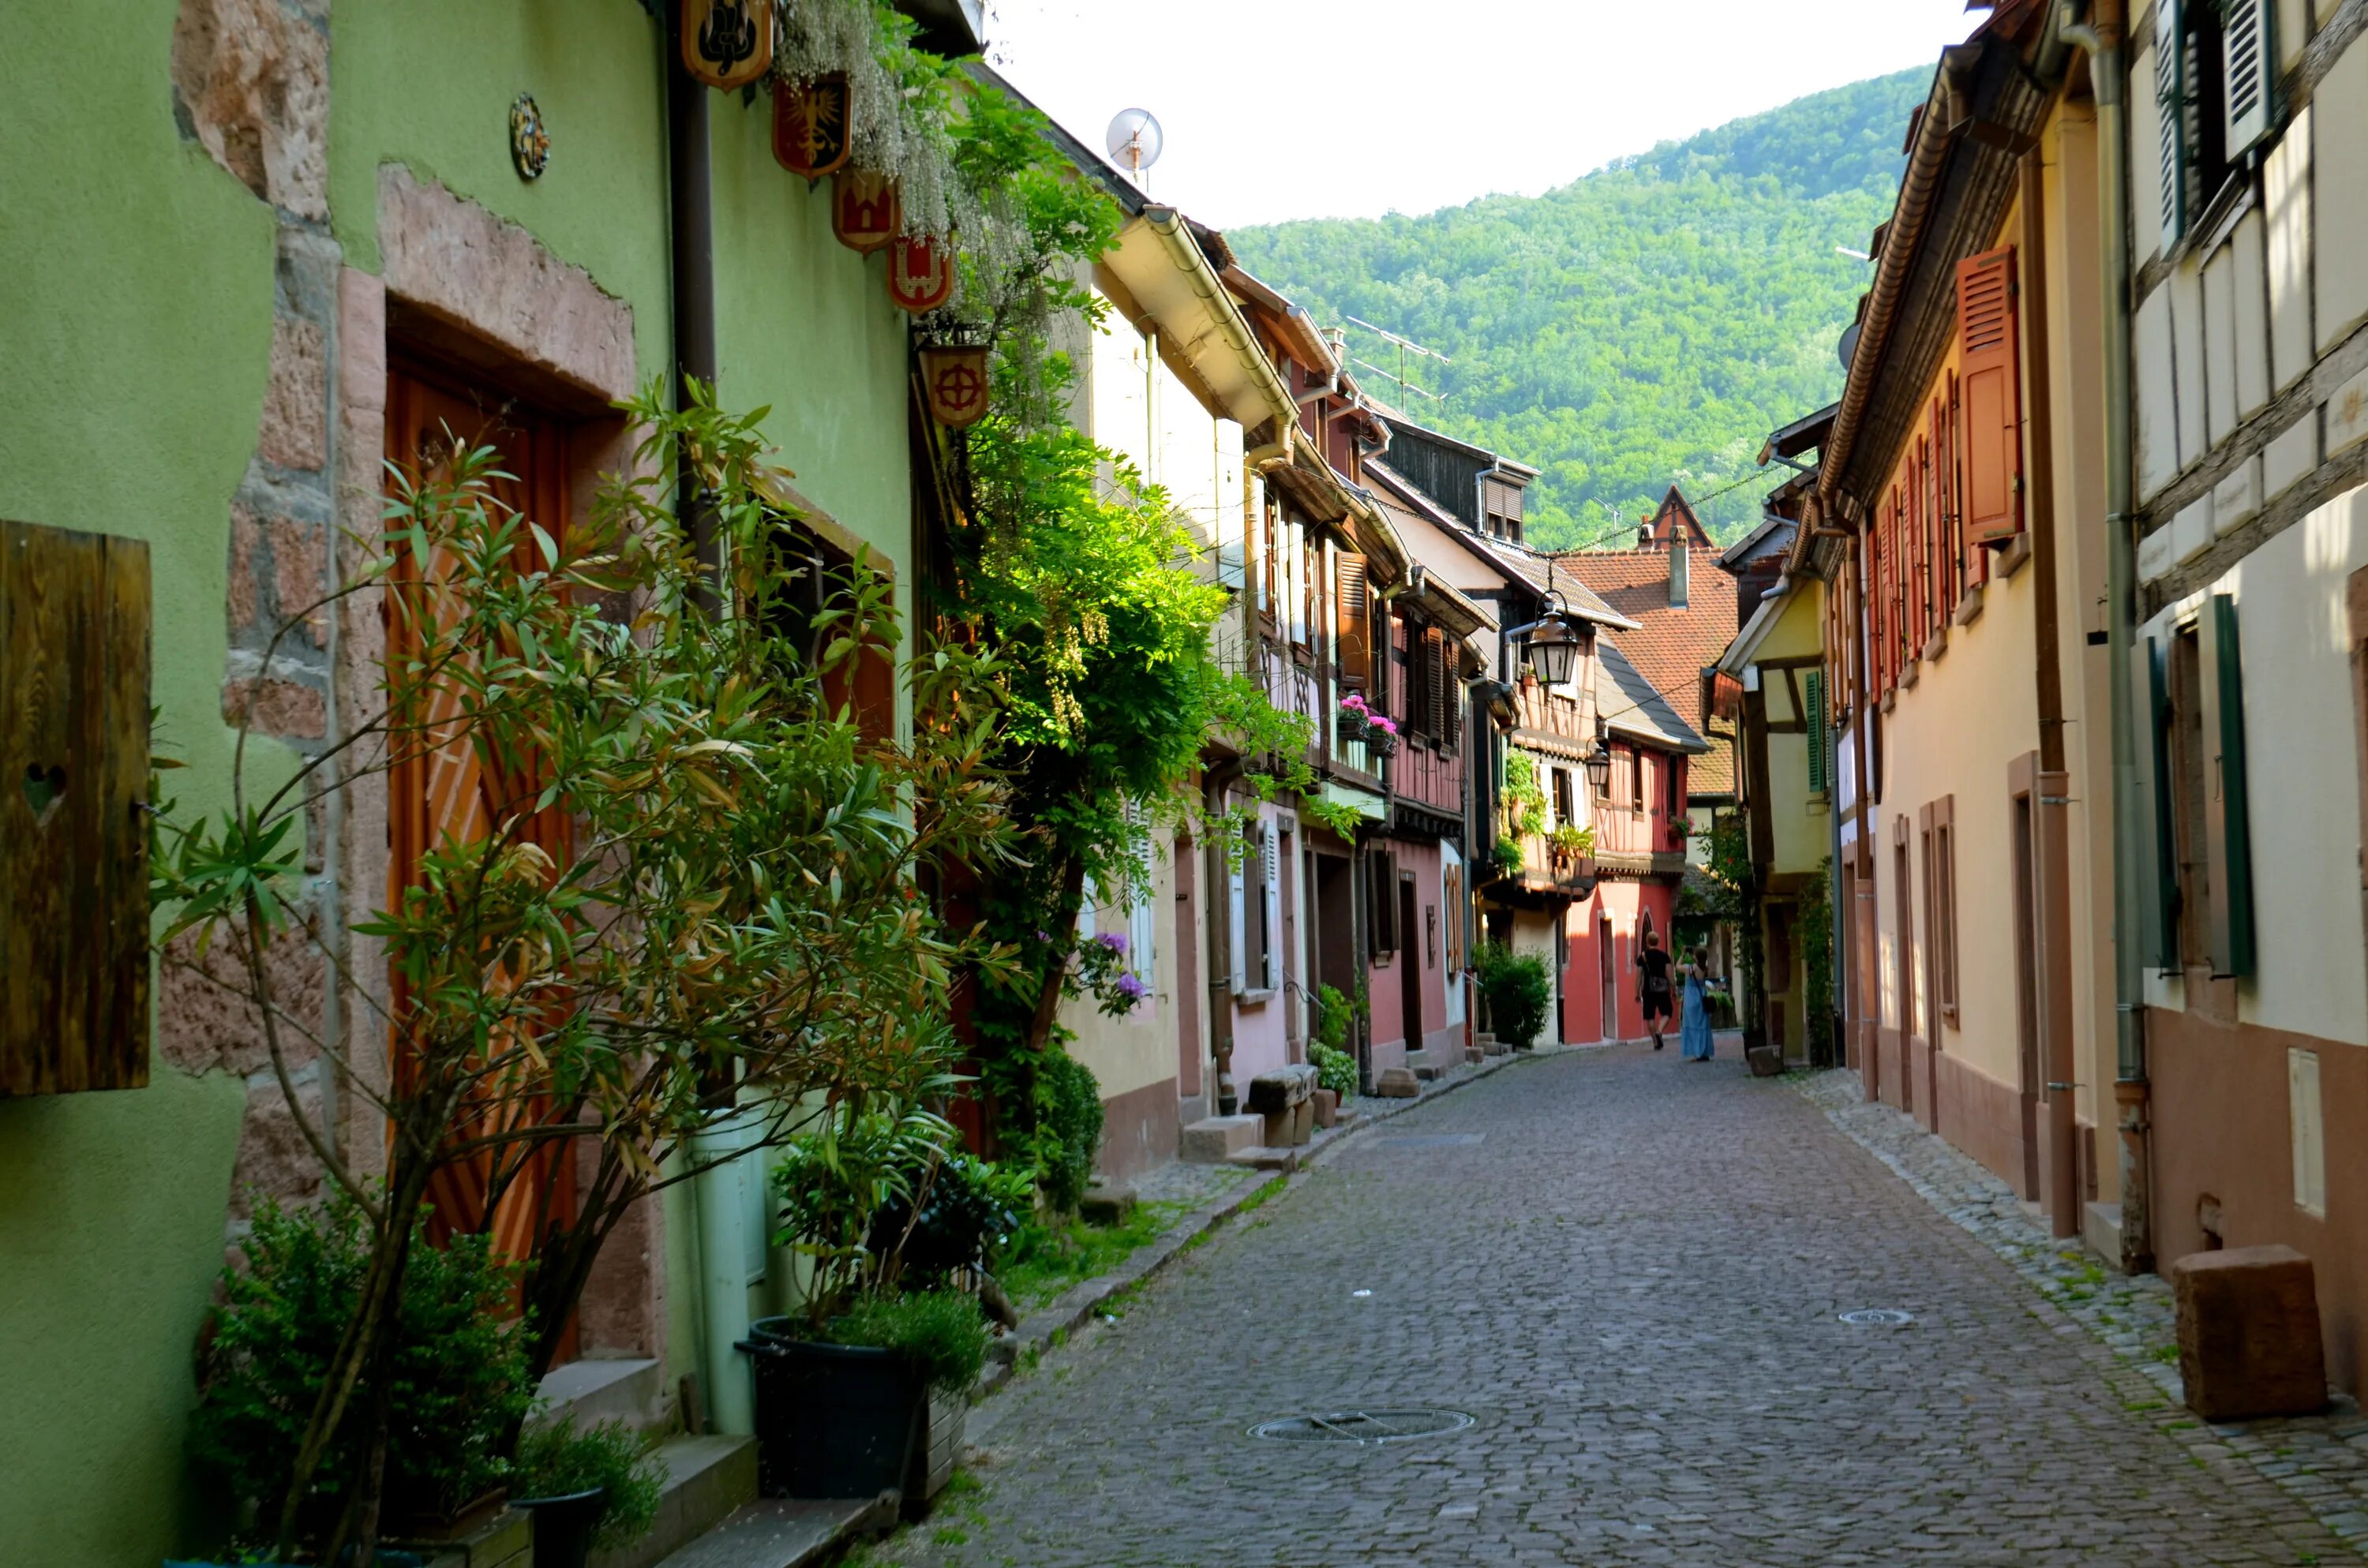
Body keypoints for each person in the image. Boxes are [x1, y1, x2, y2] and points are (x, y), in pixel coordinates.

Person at [1637, 930, 1673, 1050]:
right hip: (1662, 988)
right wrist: (1674, 987)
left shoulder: (1642, 957)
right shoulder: (1664, 956)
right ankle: (1659, 1031)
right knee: (1667, 1012)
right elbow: (1669, 973)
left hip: (1648, 990)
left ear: (1647, 942)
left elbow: (1638, 976)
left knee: (1650, 1016)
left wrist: (1637, 992)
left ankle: (1656, 1043)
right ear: (1657, 942)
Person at [1680, 945, 1717, 1061]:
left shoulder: (1690, 968)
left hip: (1691, 1000)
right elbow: (1699, 963)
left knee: (1692, 1026)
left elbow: (1677, 966)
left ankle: (1697, 1052)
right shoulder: (1705, 969)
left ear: (1696, 956)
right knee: (1702, 1026)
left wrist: (1682, 955)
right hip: (1702, 999)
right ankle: (1704, 1052)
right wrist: (1694, 956)